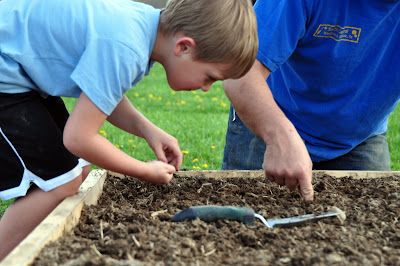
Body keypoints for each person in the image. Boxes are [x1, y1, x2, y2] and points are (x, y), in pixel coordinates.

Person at [0, 0, 258, 259]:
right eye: (210, 77)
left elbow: (101, 90)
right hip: (6, 74)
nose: (206, 88)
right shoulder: (127, 47)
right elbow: (78, 138)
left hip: (22, 74)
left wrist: (148, 130)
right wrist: (144, 170)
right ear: (184, 47)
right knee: (60, 184)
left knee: (79, 170)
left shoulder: (140, 29)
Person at [222, 0, 400, 202]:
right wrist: (280, 138)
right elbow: (239, 72)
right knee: (246, 220)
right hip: (269, 119)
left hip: (358, 138)